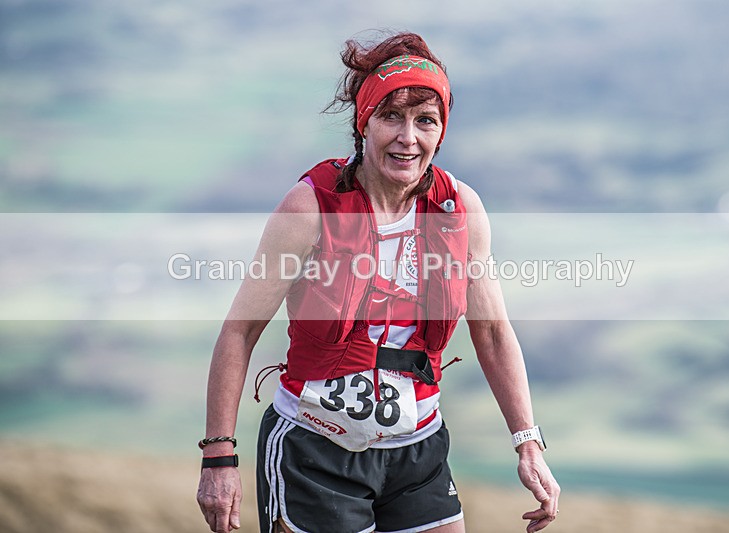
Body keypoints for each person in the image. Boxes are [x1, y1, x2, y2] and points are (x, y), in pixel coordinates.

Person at [196, 31, 560, 533]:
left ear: (441, 130)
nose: (408, 138)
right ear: (364, 122)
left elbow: (493, 331)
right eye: (392, 116)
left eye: (425, 121)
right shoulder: (309, 208)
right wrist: (219, 457)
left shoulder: (460, 211)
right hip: (314, 451)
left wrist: (529, 444)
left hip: (418, 451)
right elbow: (239, 331)